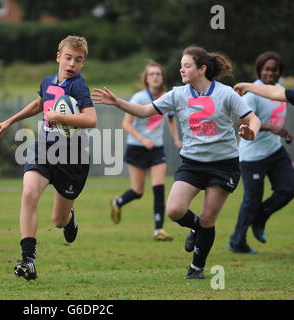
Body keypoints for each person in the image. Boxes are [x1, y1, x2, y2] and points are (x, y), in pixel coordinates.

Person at [93, 46, 261, 279]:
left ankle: (196, 268)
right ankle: (195, 228)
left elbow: (253, 118)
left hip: (224, 165)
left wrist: (251, 132)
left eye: (187, 65)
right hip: (192, 163)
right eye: (181, 65)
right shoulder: (177, 94)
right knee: (174, 210)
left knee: (208, 218)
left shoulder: (225, 93)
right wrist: (117, 101)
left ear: (202, 69)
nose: (181, 69)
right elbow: (143, 111)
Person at [0, 35, 96, 281]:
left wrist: (60, 118)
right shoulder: (48, 81)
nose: (72, 64)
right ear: (58, 56)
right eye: (68, 58)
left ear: (82, 63)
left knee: (58, 220)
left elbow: (90, 119)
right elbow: (40, 104)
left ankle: (70, 220)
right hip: (44, 148)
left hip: (72, 154)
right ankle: (28, 260)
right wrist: (10, 120)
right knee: (29, 192)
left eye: (78, 60)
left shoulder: (78, 86)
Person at [228, 52, 294, 253]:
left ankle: (260, 218)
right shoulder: (254, 93)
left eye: (274, 69)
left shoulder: (281, 91)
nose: (270, 73)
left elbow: (277, 107)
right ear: (259, 70)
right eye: (266, 69)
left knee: (288, 188)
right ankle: (237, 242)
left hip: (274, 151)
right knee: (251, 200)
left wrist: (281, 132)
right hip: (252, 155)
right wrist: (271, 128)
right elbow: (241, 121)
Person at [110, 60, 182, 241]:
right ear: (146, 79)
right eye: (152, 74)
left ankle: (159, 229)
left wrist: (176, 139)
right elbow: (126, 124)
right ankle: (118, 202)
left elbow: (171, 119)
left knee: (159, 188)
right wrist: (142, 139)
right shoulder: (139, 98)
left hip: (156, 149)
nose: (155, 76)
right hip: (137, 148)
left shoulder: (167, 97)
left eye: (158, 73)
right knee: (138, 191)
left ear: (162, 78)